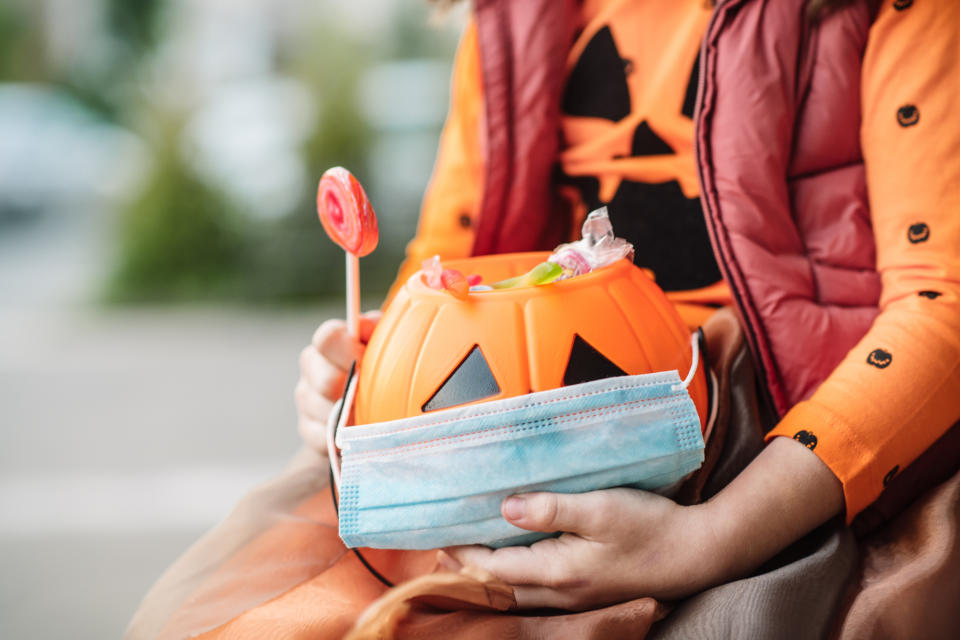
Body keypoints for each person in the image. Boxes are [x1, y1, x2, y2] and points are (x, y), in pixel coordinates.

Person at [129, 0, 960, 637]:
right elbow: (450, 273)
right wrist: (366, 373)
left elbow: (942, 303)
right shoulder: (509, 20)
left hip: (782, 429)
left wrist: (709, 540)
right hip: (513, 410)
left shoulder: (901, 14)